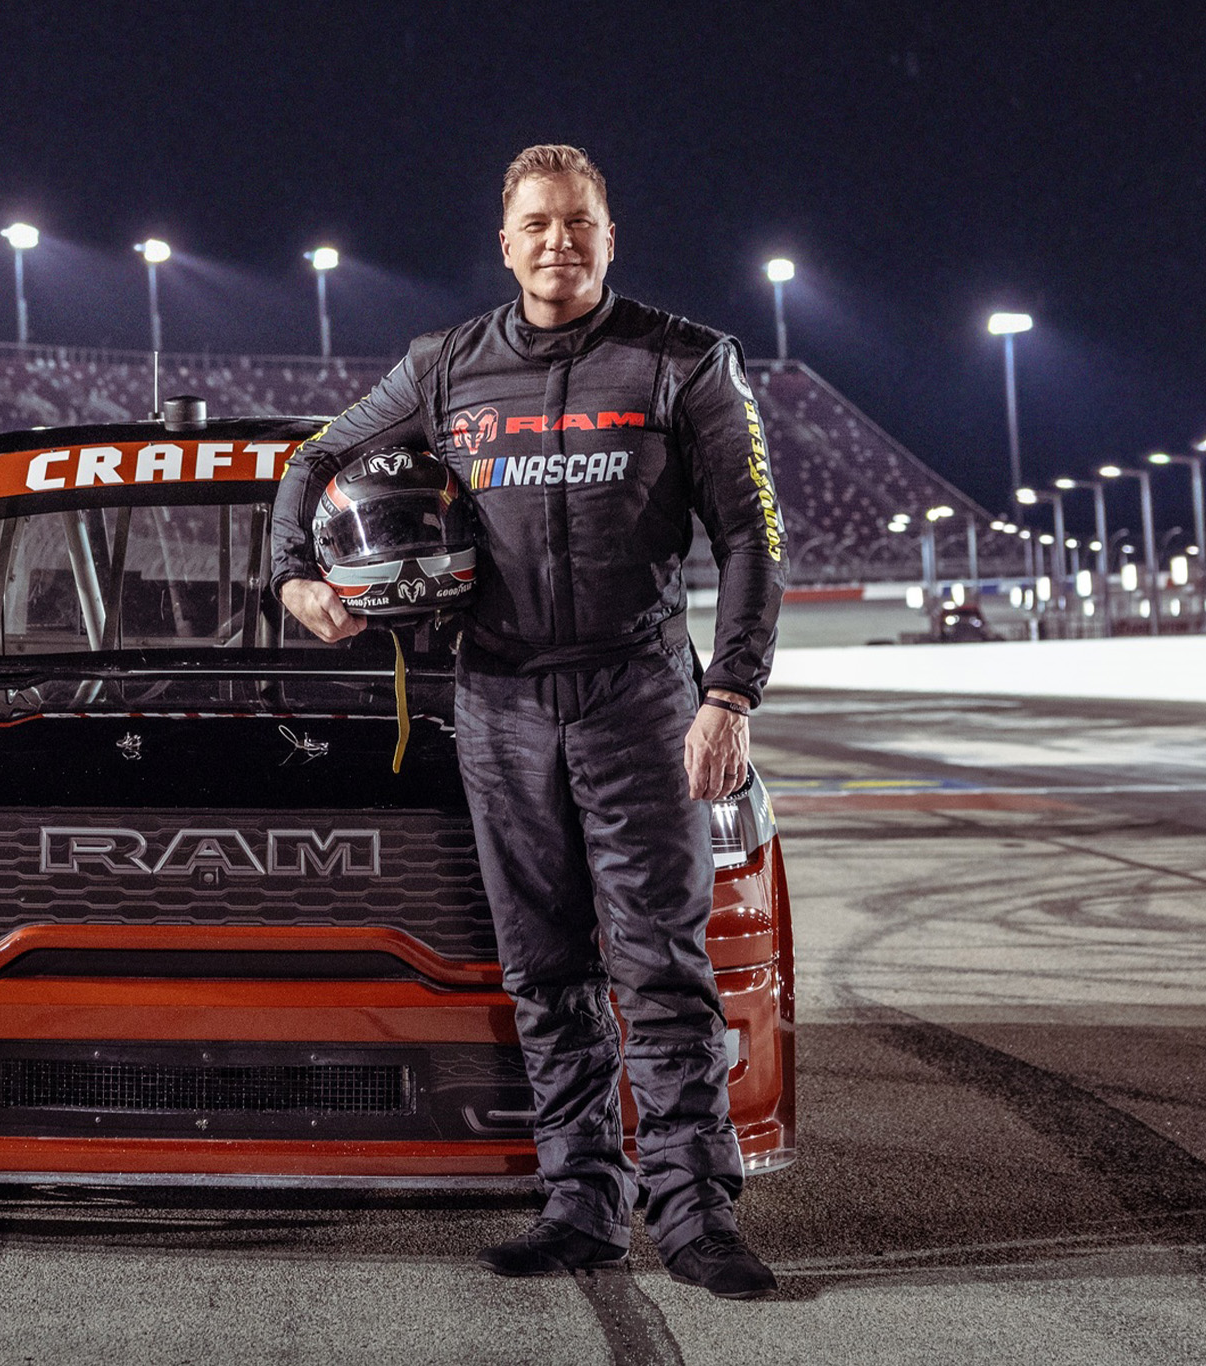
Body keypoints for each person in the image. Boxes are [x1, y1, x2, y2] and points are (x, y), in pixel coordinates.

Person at [270, 144, 787, 1300]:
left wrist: (728, 696)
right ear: (503, 242)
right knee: (543, 968)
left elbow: (751, 535)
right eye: (537, 223)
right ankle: (578, 1204)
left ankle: (695, 1214)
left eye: (579, 222)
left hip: (637, 695)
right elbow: (313, 458)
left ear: (611, 237)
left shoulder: (685, 361)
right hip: (496, 699)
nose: (559, 240)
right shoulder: (442, 364)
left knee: (657, 966)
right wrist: (293, 578)